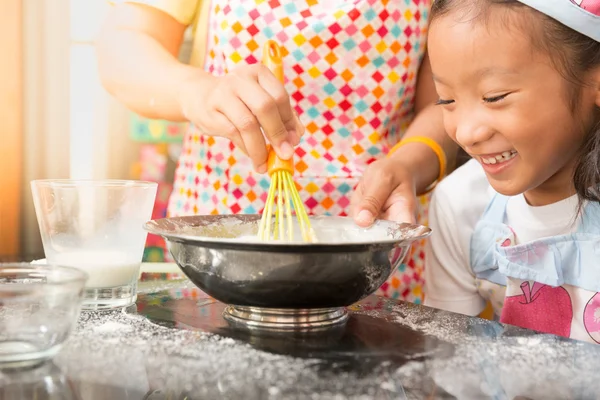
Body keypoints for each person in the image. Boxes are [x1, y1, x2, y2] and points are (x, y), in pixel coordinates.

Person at [96, 0, 458, 302]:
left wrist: (409, 163)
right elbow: (125, 46)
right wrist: (199, 91)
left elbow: (444, 101)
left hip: (374, 252)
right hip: (222, 258)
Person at [413, 0, 600, 343]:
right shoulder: (459, 204)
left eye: (494, 97)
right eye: (447, 100)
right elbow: (451, 364)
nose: (467, 134)